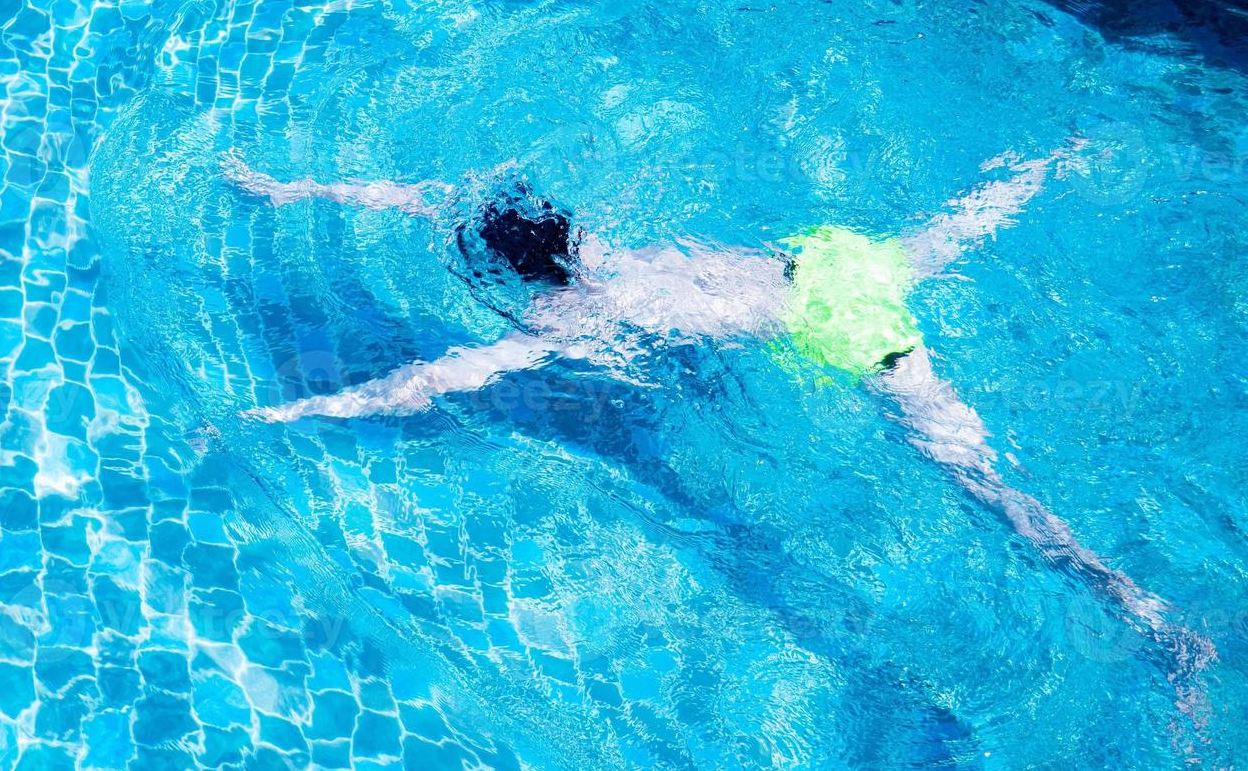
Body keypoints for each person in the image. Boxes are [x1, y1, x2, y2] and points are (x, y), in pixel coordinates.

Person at [221, 147, 1214, 716]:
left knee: (980, 484)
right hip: (830, 261)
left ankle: (1142, 608)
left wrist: (292, 412)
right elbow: (431, 195)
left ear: (524, 274)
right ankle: (1050, 163)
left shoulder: (566, 317)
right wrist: (285, 189)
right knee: (954, 227)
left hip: (842, 331)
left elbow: (427, 381)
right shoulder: (597, 243)